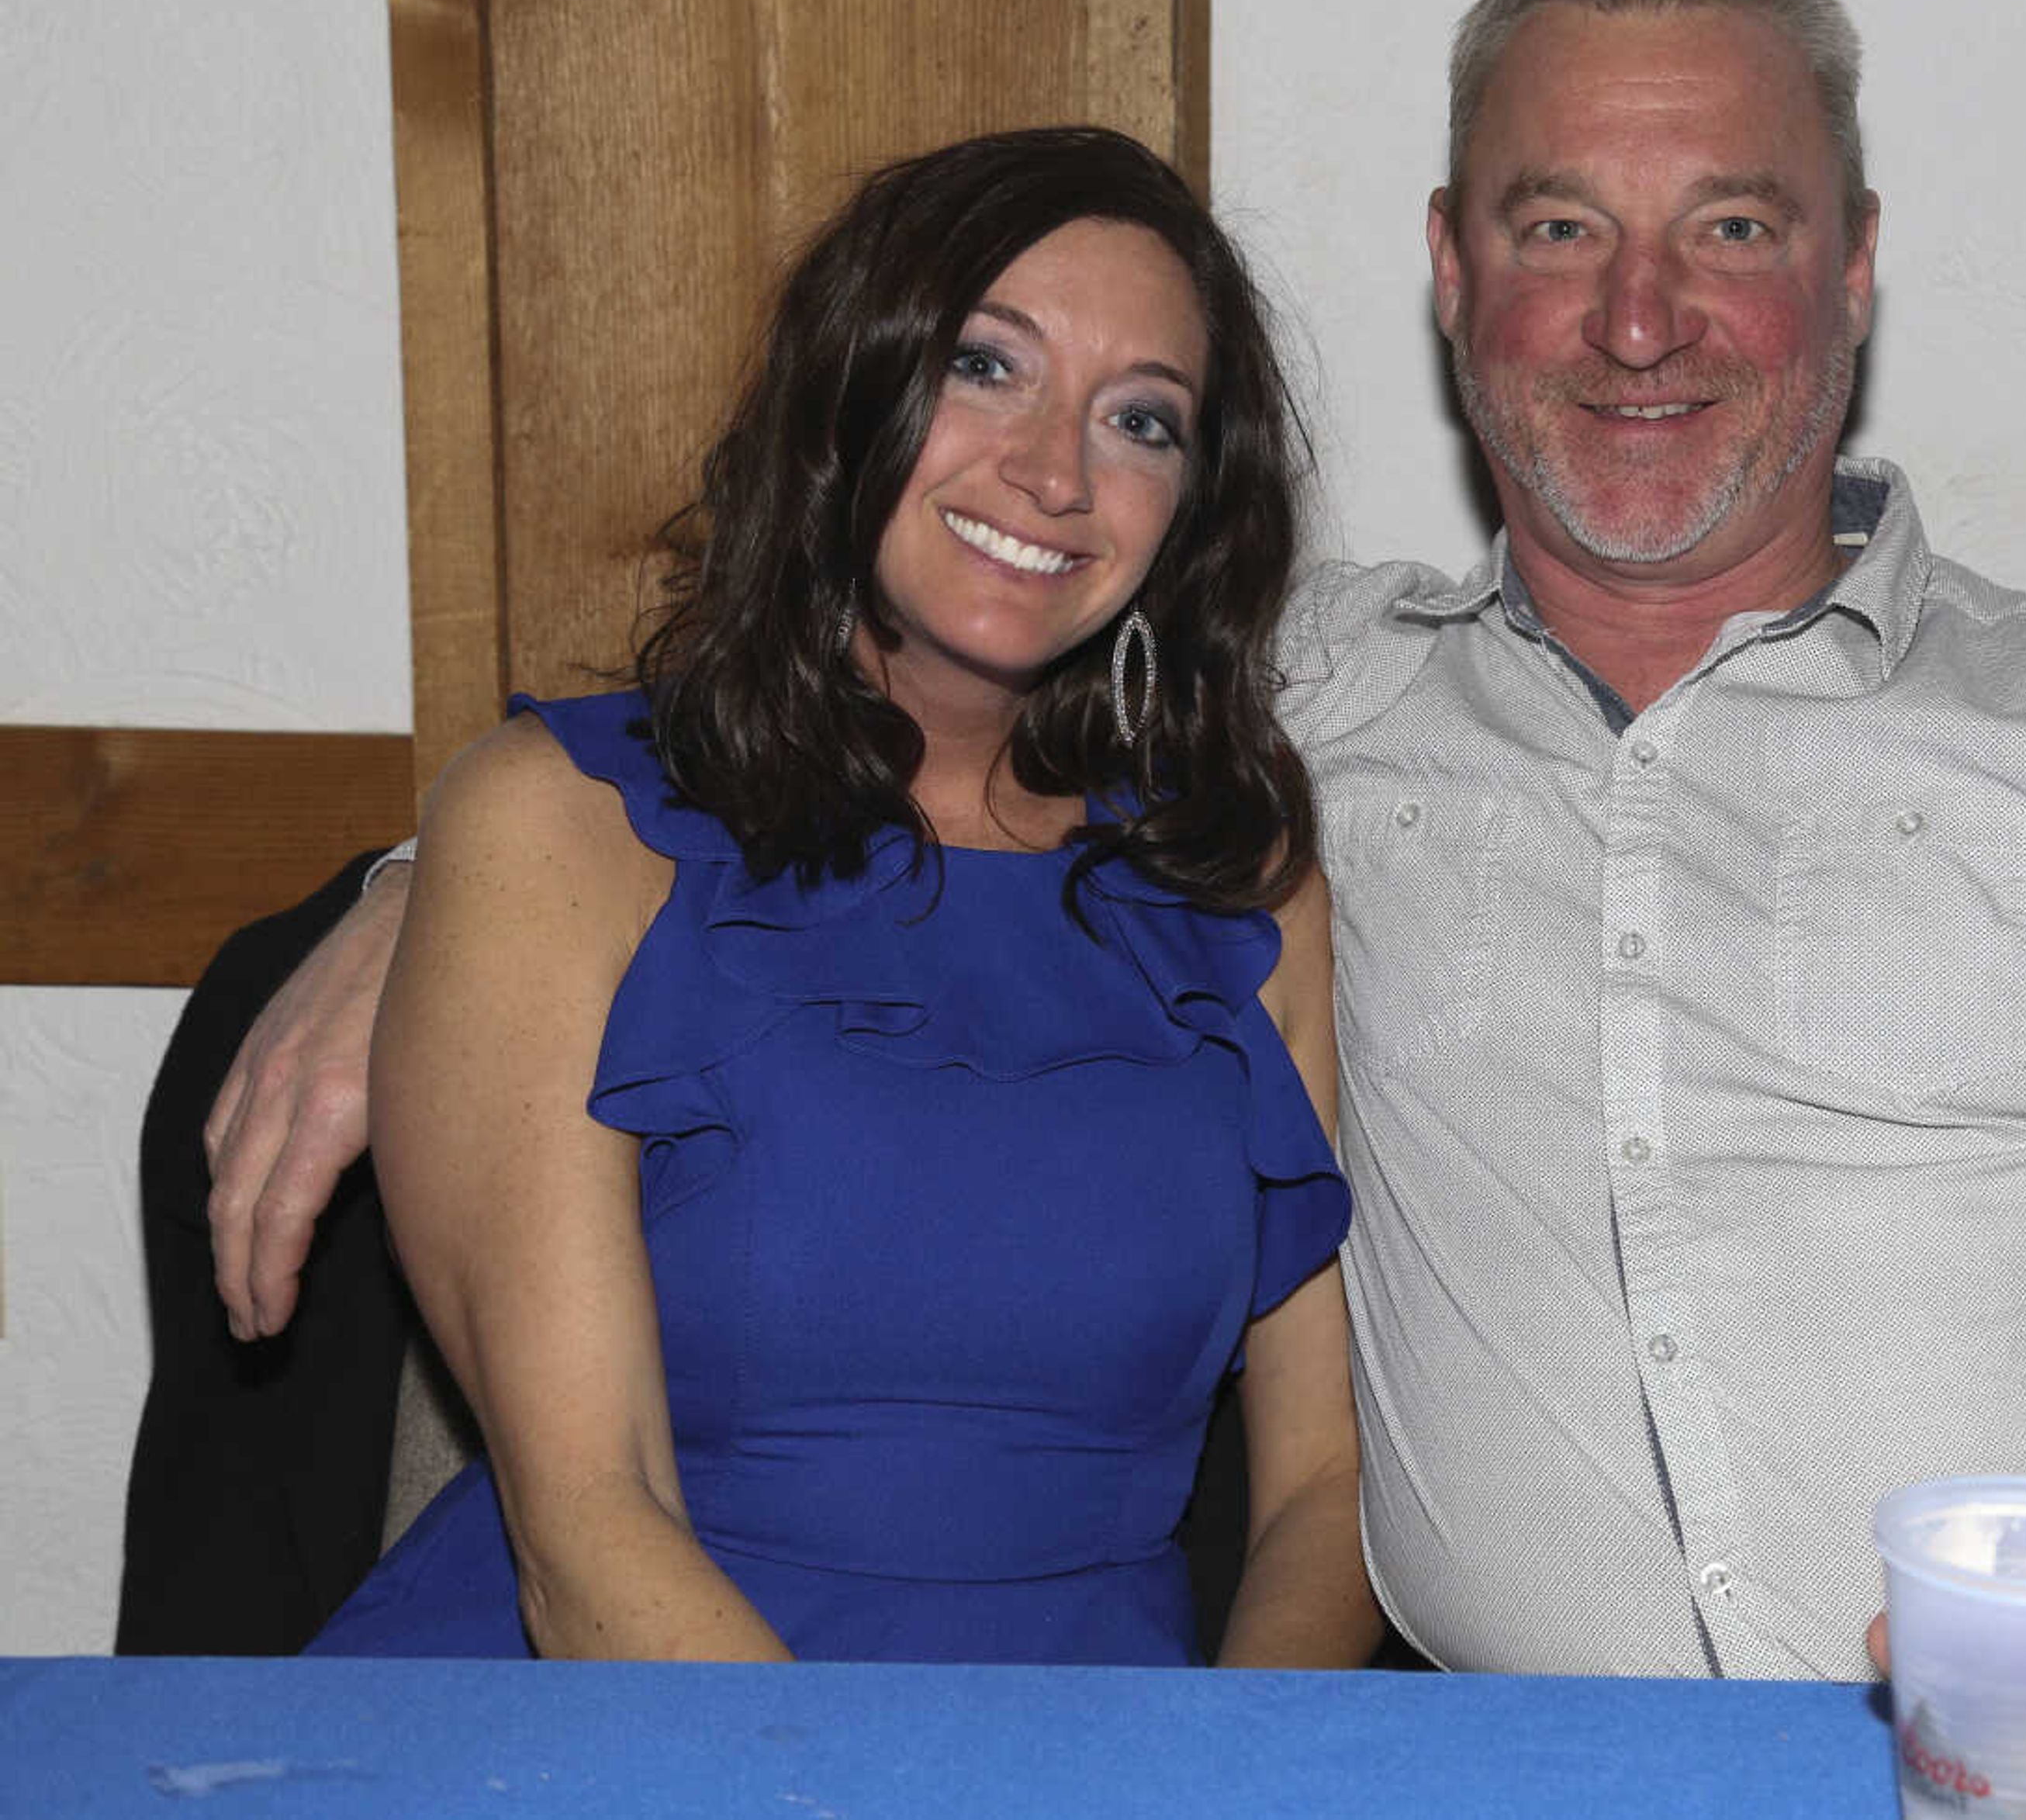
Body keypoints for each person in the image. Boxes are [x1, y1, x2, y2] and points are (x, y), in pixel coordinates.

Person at [205, 0, 2026, 1818]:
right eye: (1558, 228)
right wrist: (423, 878)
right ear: (1451, 272)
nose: (1642, 317)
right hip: (1500, 1778)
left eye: (1733, 225)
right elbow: (842, 723)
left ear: (1854, 270)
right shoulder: (1290, 722)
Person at [296, 126, 1378, 1668]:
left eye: (1141, 420)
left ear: (1191, 507)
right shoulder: (556, 825)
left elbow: (1325, 1489)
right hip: (639, 1727)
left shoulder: (1241, 871)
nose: (1057, 471)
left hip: (1110, 1765)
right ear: (851, 386)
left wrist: (1235, 1771)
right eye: (985, 368)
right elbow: (589, 1528)